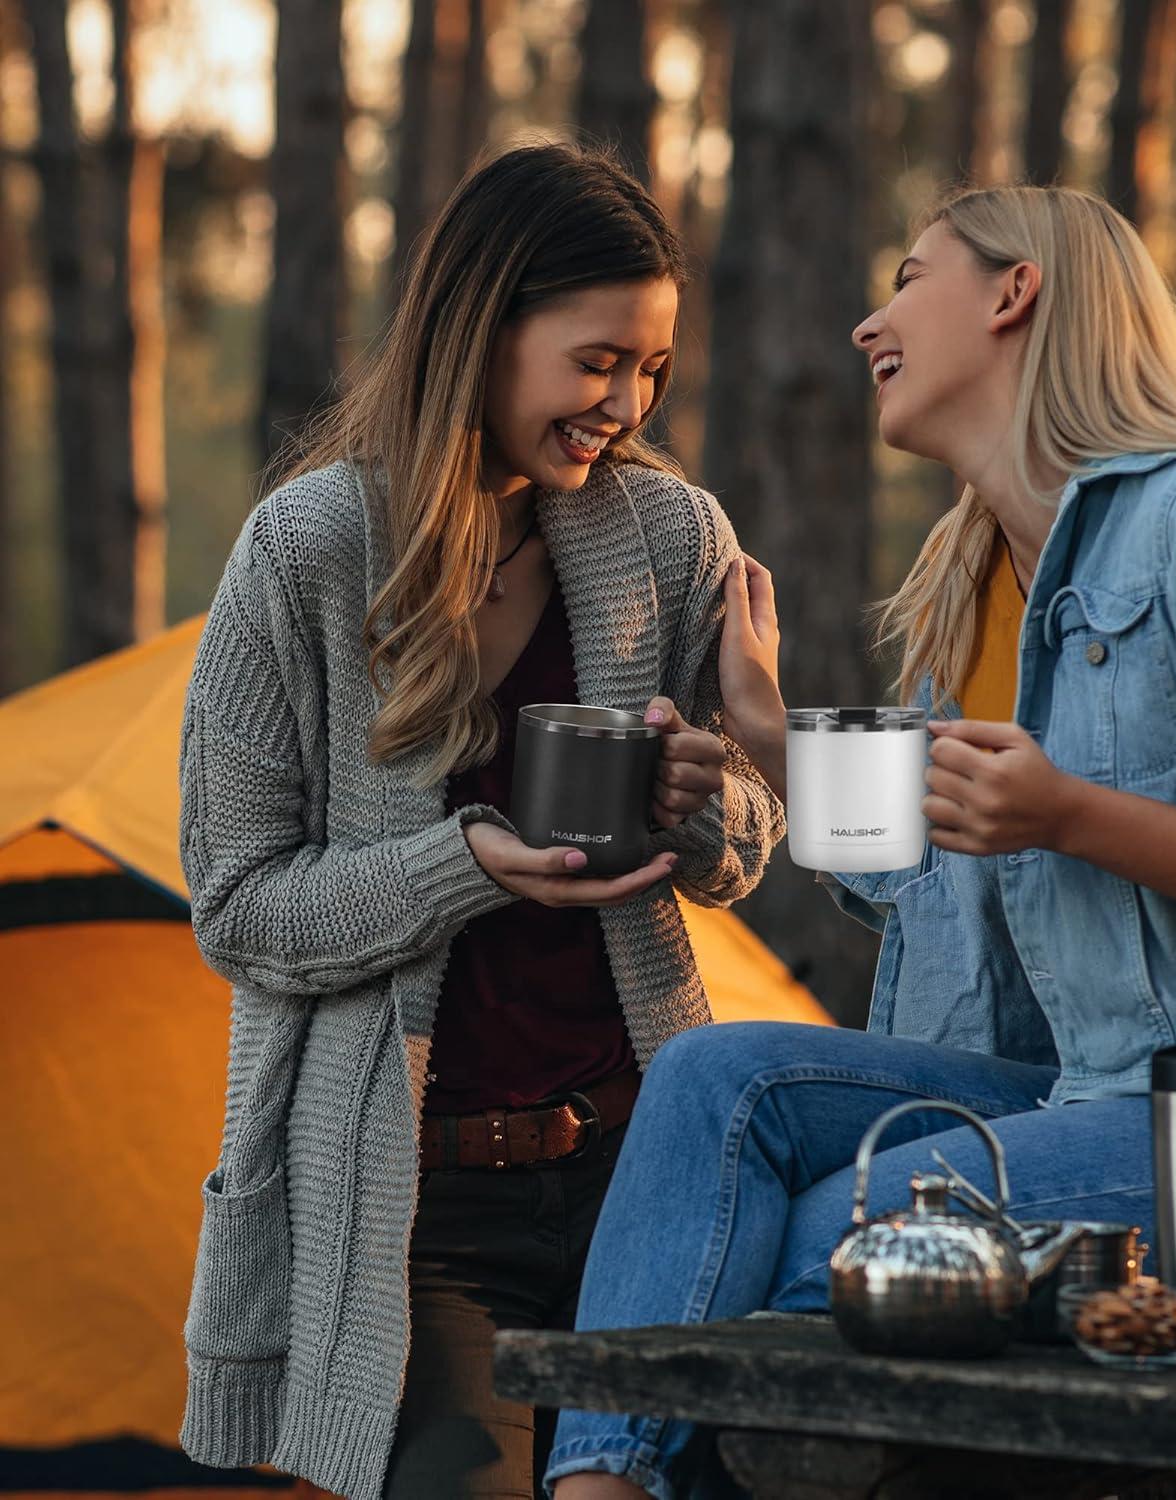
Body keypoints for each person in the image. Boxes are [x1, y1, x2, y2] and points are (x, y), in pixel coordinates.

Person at [543, 184, 1176, 1500]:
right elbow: (918, 863)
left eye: (908, 279)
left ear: (1014, 292)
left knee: (805, 1239)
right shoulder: (976, 574)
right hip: (1044, 1094)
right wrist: (768, 732)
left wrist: (1075, 816)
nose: (866, 323)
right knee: (707, 1081)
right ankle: (597, 1490)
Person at [175, 144, 783, 1500]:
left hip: (645, 1172)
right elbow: (239, 904)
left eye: (653, 371)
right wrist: (463, 867)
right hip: (418, 1209)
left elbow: (744, 847)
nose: (625, 405)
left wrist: (705, 799)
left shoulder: (669, 539)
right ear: (485, 327)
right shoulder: (308, 553)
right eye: (597, 361)